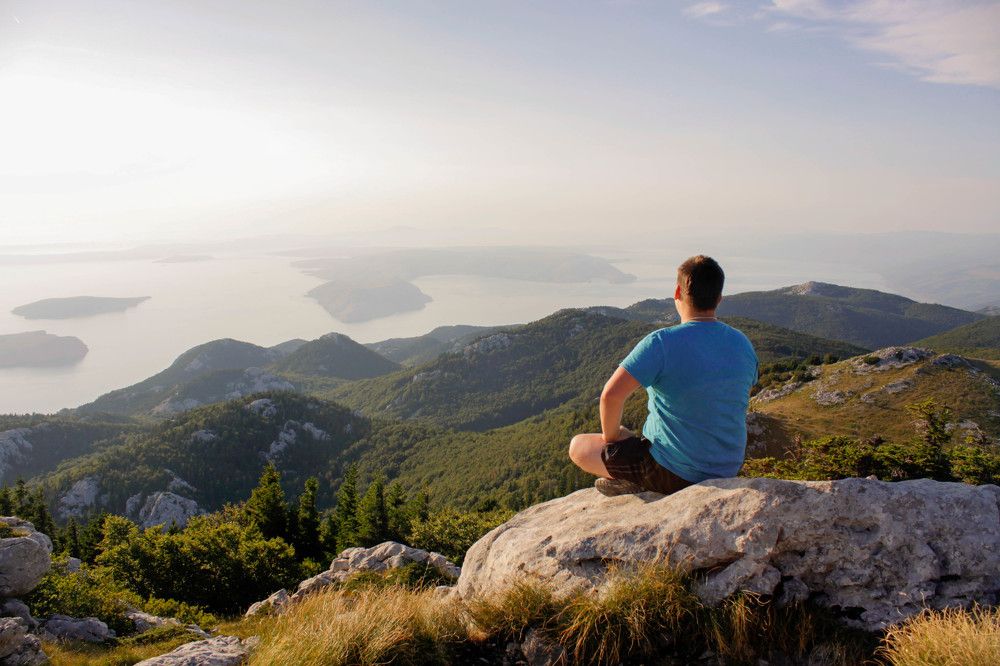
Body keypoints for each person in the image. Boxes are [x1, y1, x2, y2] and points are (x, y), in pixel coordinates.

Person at [568, 255, 758, 496]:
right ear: (719, 298)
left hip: (673, 474)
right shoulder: (742, 343)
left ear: (678, 292)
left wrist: (611, 440)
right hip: (727, 469)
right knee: (629, 435)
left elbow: (610, 396)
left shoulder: (661, 343)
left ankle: (635, 481)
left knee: (579, 446)